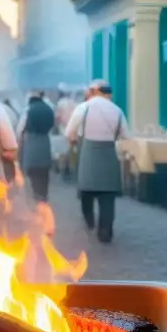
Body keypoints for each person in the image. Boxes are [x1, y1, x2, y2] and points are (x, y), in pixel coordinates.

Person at [65, 82, 128, 243]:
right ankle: (105, 231)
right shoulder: (117, 110)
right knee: (107, 197)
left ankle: (89, 221)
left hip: (88, 154)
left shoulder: (83, 108)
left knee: (86, 191)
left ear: (94, 91)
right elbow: (125, 135)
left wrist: (74, 141)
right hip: (109, 155)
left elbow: (70, 132)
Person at [17, 91, 56, 202]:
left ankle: (36, 195)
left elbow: (20, 129)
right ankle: (43, 195)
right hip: (45, 142)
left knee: (33, 173)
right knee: (44, 173)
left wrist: (19, 143)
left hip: (31, 144)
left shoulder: (28, 109)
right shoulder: (49, 109)